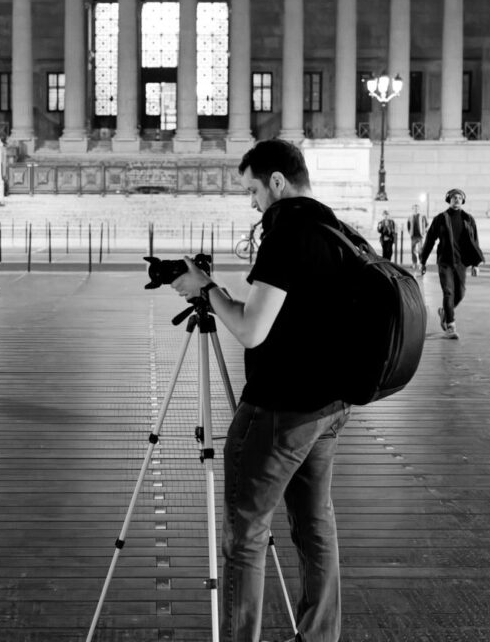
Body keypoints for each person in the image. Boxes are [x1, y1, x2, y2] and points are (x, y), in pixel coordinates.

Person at [169, 139, 353, 642]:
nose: (252, 203)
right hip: (330, 404)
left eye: (253, 190)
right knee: (315, 526)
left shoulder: (288, 230)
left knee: (246, 536)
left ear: (277, 181)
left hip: (281, 406)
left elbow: (252, 331)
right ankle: (319, 635)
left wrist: (206, 289)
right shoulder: (335, 227)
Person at [420, 188, 484, 340]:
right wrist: (423, 261)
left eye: (459, 197)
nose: (457, 200)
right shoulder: (440, 218)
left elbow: (475, 242)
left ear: (463, 200)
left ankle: (444, 312)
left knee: (460, 293)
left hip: (461, 262)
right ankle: (450, 326)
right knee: (449, 292)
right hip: (445, 262)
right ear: (449, 200)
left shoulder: (468, 219)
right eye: (454, 197)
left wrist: (476, 264)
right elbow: (429, 240)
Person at [406, 203, 428, 269]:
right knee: (413, 250)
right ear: (412, 209)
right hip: (413, 236)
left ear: (419, 209)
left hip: (420, 236)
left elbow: (426, 225)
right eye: (414, 208)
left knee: (420, 250)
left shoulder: (423, 216)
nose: (416, 210)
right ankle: (414, 263)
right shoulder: (410, 217)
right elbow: (408, 226)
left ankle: (421, 263)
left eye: (417, 208)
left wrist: (424, 232)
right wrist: (410, 233)